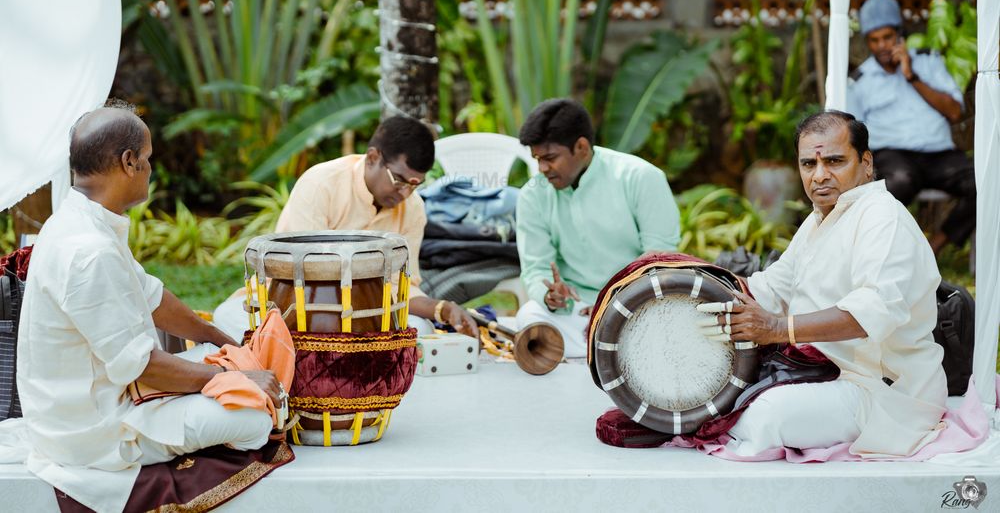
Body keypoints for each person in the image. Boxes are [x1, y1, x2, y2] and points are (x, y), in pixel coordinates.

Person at [15, 104, 280, 513]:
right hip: (94, 430)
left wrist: (224, 342)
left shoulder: (80, 220)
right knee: (256, 421)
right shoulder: (90, 252)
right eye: (149, 159)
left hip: (96, 398)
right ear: (128, 162)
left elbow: (152, 297)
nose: (151, 169)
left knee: (217, 364)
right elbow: (142, 367)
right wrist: (235, 375)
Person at [698, 111, 947, 458]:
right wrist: (687, 275)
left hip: (881, 391)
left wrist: (777, 328)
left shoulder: (882, 217)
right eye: (808, 164)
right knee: (711, 395)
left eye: (834, 161)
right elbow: (770, 288)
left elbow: (872, 312)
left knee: (765, 416)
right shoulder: (823, 216)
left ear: (866, 163)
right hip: (819, 369)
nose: (820, 176)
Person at [216, 116, 476, 338]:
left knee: (420, 329)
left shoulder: (413, 208)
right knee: (228, 317)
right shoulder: (321, 184)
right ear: (373, 157)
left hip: (370, 311)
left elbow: (400, 285)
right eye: (398, 180)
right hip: (294, 306)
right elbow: (298, 273)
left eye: (414, 184)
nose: (405, 192)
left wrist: (442, 308)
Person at [515, 99, 681, 358]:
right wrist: (549, 295)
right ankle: (614, 353)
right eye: (537, 159)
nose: (542, 169)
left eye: (550, 158)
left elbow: (660, 261)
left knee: (668, 323)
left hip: (635, 306)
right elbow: (535, 269)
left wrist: (612, 306)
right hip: (576, 311)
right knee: (530, 317)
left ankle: (606, 349)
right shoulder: (532, 196)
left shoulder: (640, 177)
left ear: (581, 147)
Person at [846, 0, 975, 255]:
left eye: (887, 37)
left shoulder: (929, 62)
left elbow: (954, 112)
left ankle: (935, 245)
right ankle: (895, 254)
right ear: (867, 42)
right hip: (893, 156)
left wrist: (912, 76)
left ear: (899, 35)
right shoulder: (860, 81)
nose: (882, 45)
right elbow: (853, 134)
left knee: (985, 183)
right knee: (897, 183)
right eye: (874, 39)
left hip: (939, 154)